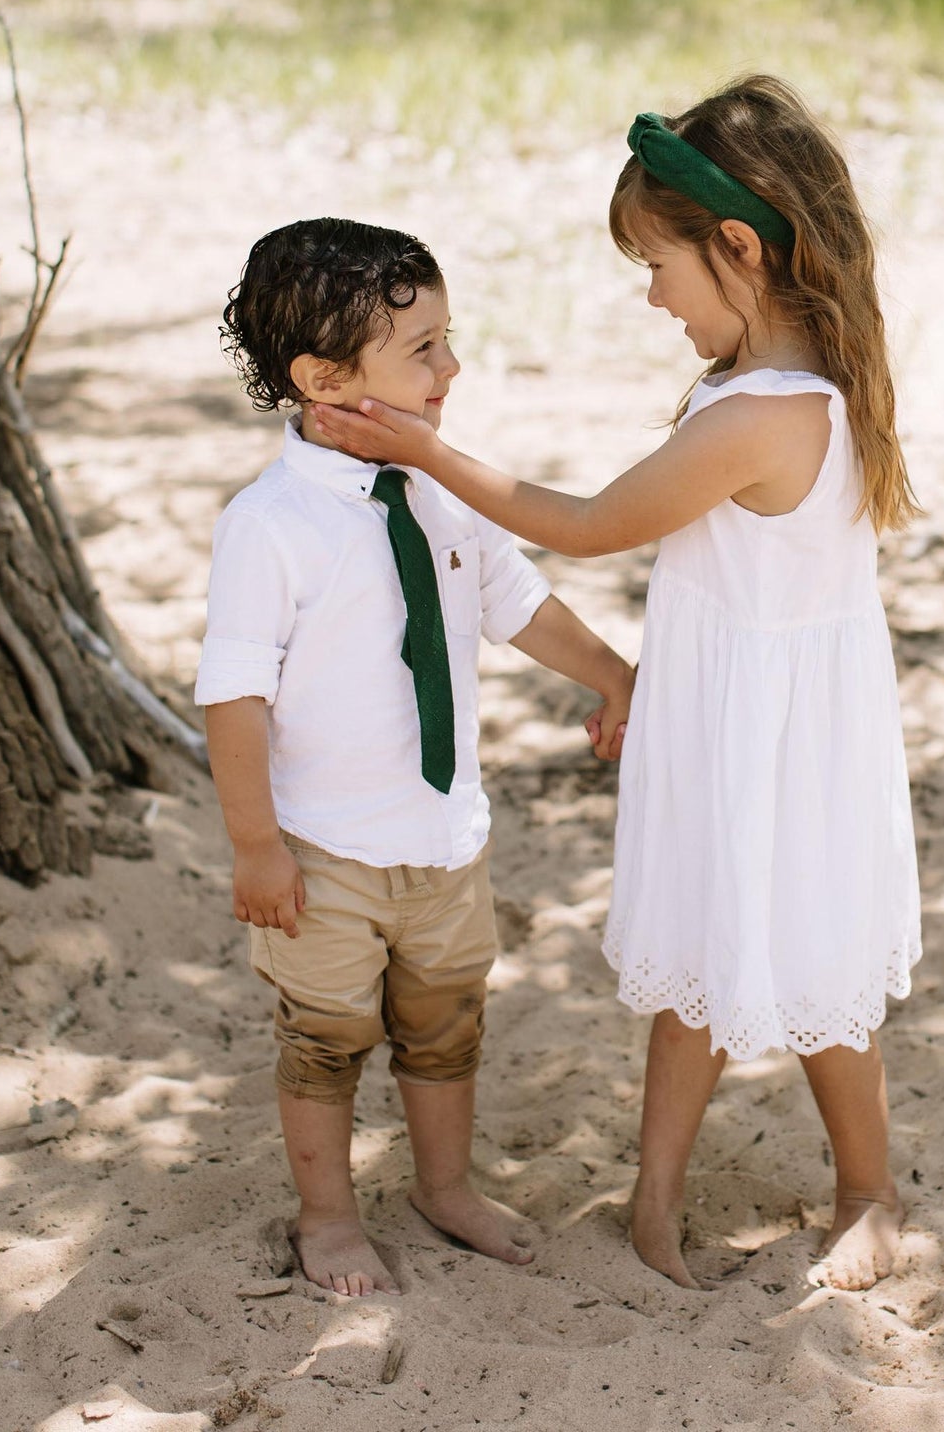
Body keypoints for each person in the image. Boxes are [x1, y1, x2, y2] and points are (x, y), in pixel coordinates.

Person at [315, 76, 922, 1292]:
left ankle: (868, 1187)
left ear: (736, 247)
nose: (651, 293)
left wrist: (421, 444)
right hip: (725, 712)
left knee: (817, 959)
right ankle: (653, 1200)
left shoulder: (771, 413)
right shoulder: (772, 375)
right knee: (698, 946)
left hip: (780, 739)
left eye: (658, 263)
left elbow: (585, 524)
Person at [196, 217, 635, 1297]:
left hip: (444, 839)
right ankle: (327, 1213)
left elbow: (515, 600)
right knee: (327, 1037)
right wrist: (257, 844)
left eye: (448, 337)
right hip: (326, 849)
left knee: (446, 1025)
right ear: (323, 378)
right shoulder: (271, 524)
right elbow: (233, 696)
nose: (452, 366)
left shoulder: (441, 483)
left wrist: (613, 673)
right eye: (423, 348)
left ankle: (444, 1185)